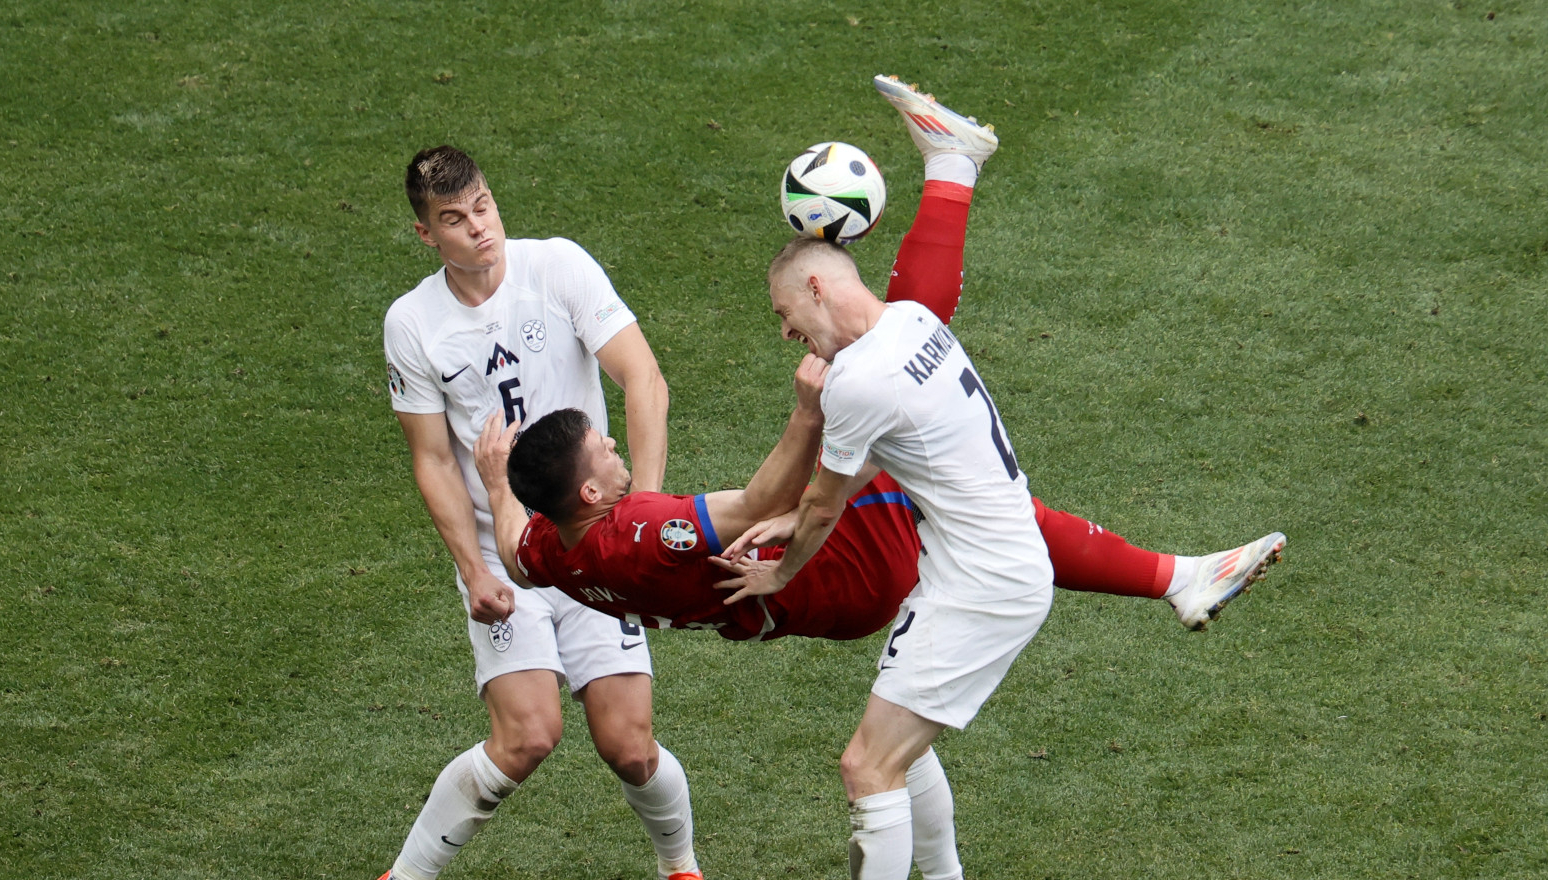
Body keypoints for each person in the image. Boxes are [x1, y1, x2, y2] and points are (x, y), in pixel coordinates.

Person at [471, 77, 1285, 880]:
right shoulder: (647, 528)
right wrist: (796, 453)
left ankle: (954, 169)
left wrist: (498, 479)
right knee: (886, 742)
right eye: (603, 453)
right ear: (590, 496)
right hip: (860, 580)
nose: (790, 335)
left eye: (789, 318)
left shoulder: (554, 553)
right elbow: (774, 497)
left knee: (877, 757)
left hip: (888, 579)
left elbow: (521, 547)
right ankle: (952, 171)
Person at [379, 146, 701, 880]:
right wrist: (472, 571)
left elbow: (644, 380)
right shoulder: (413, 323)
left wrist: (640, 517)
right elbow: (431, 459)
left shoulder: (557, 267)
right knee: (527, 736)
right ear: (426, 235)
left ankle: (679, 867)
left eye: (484, 206)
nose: (478, 229)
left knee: (630, 747)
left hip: (594, 544)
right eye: (454, 220)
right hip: (504, 557)